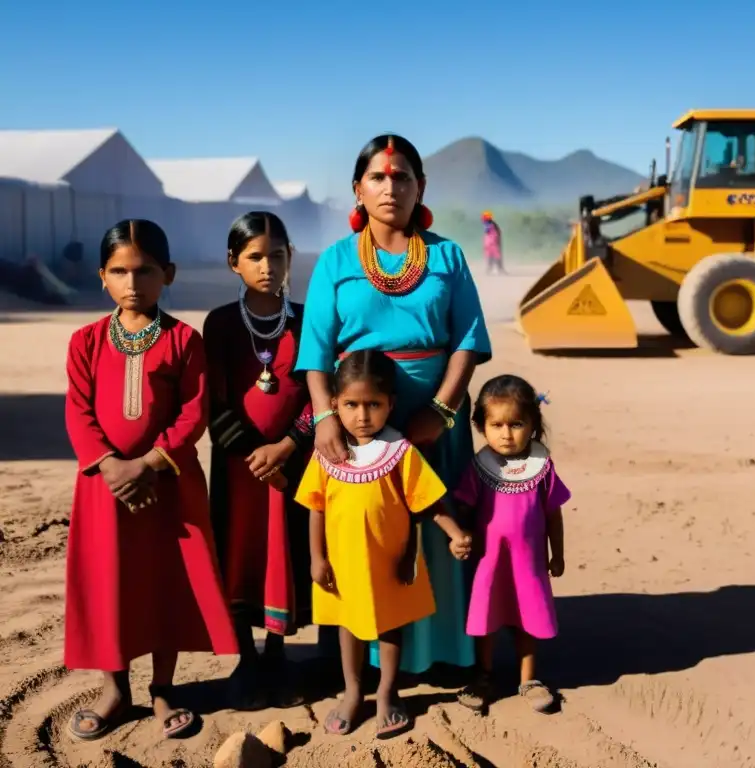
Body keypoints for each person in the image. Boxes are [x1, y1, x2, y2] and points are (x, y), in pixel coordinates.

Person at [296, 134, 492, 679]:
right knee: (370, 535)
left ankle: (448, 652)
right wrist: (326, 418)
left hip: (436, 421)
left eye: (402, 176)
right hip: (356, 424)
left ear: (420, 187)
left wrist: (444, 412)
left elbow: (468, 341)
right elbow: (314, 350)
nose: (390, 187)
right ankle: (376, 663)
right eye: (377, 178)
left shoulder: (448, 256)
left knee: (438, 528)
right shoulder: (336, 261)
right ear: (357, 190)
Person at [63, 219, 237, 742]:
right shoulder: (86, 341)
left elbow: (193, 411)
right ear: (102, 277)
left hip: (169, 484)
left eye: (145, 271)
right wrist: (113, 467)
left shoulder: (184, 340)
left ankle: (163, 687)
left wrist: (147, 465)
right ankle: (115, 687)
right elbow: (77, 412)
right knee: (109, 581)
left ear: (169, 274)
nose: (132, 282)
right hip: (103, 487)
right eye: (119, 271)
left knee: (167, 581)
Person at [295, 350, 473, 738]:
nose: (362, 415)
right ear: (334, 405)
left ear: (390, 404)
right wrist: (316, 558)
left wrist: (455, 533)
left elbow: (426, 502)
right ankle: (354, 691)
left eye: (373, 404)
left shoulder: (399, 451)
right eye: (352, 405)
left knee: (391, 628)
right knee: (348, 626)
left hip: (391, 562)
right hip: (342, 566)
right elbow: (316, 508)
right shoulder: (328, 454)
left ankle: (388, 692)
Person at [203, 211, 314, 710]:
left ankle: (276, 653)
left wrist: (288, 445)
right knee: (240, 552)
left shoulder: (307, 318)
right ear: (233, 262)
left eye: (276, 255)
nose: (267, 265)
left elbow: (318, 393)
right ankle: (246, 657)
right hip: (239, 468)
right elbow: (215, 401)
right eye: (254, 256)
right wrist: (253, 454)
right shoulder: (222, 323)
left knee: (286, 551)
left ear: (290, 257)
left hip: (293, 463)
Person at [454, 375, 570, 715]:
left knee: (527, 620)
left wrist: (557, 554)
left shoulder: (541, 468)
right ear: (481, 426)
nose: (506, 434)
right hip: (489, 564)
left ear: (533, 424)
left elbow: (553, 515)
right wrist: (460, 538)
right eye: (497, 425)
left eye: (516, 424)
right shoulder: (479, 468)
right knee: (486, 622)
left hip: (530, 565)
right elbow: (463, 508)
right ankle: (484, 676)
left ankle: (529, 679)